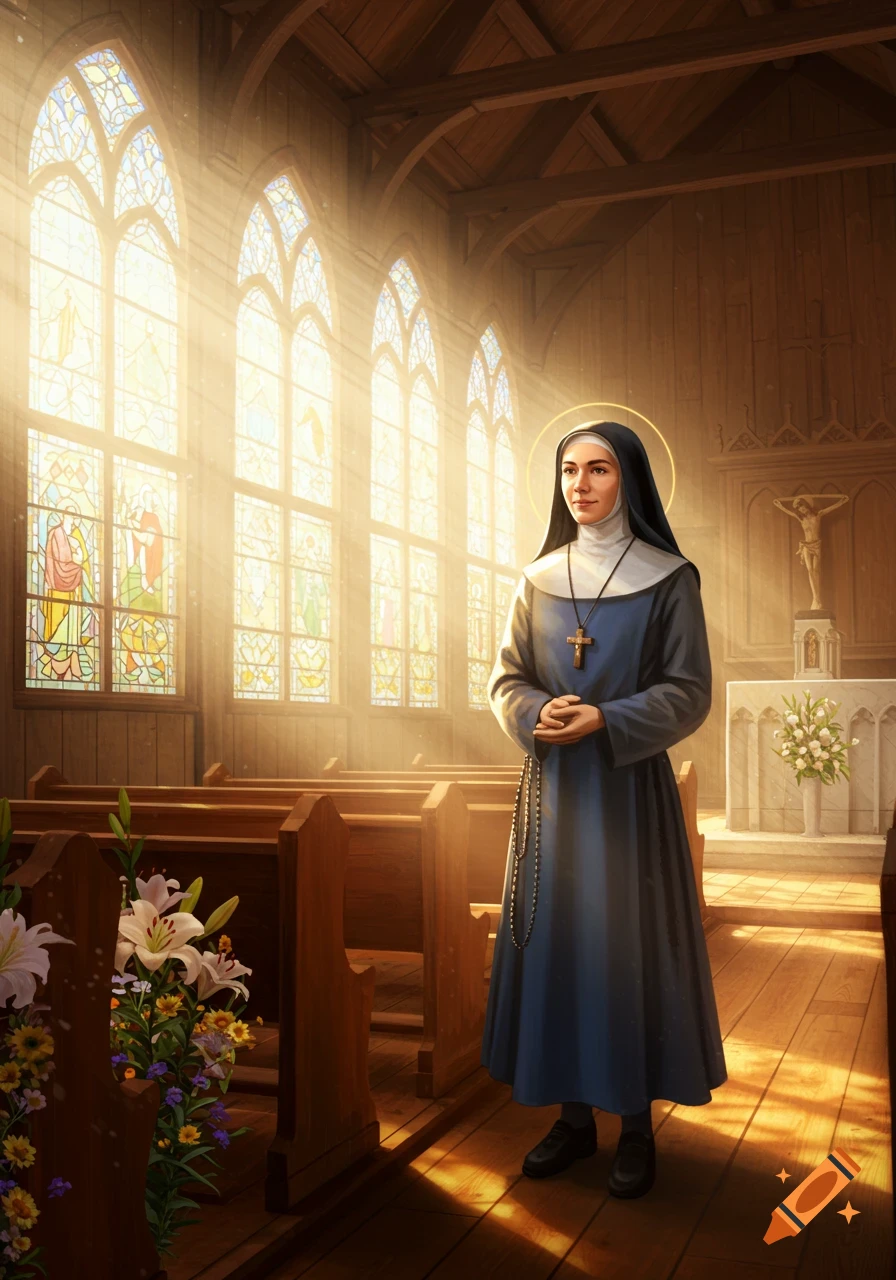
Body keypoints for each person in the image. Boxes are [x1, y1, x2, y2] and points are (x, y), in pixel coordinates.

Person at [481, 422, 727, 1199]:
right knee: (560, 953)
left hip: (625, 798)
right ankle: (574, 1118)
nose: (580, 486)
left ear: (632, 482)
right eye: (567, 471)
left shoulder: (668, 578)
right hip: (554, 796)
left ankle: (634, 1126)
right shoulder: (536, 577)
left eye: (598, 470)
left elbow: (689, 690)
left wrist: (608, 718)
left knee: (623, 956)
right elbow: (505, 677)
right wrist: (534, 711)